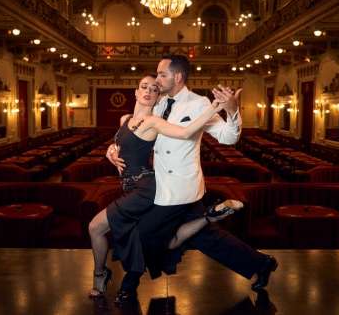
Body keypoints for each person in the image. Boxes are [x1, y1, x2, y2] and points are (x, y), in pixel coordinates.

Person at [107, 55, 278, 304]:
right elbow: (131, 131)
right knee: (204, 236)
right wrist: (113, 149)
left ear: (177, 76)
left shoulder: (199, 104)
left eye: (161, 74)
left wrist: (232, 109)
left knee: (142, 232)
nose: (157, 79)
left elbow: (228, 137)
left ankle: (129, 284)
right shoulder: (156, 101)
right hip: (156, 185)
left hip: (181, 186)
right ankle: (262, 263)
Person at [88, 74, 243, 298]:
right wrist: (110, 151)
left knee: (95, 227)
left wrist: (214, 107)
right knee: (163, 240)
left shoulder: (154, 122)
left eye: (154, 89)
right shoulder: (125, 119)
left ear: (157, 97)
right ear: (135, 92)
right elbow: (122, 142)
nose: (149, 91)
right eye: (144, 87)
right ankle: (210, 216)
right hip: (129, 187)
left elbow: (187, 132)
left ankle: (100, 274)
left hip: (145, 188)